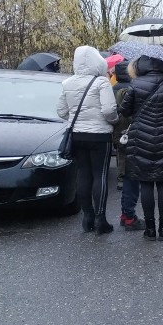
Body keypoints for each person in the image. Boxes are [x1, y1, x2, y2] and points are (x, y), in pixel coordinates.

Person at [57, 45, 119, 234]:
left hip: (77, 134)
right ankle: (101, 219)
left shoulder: (67, 83)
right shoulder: (101, 82)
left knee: (83, 174)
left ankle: (87, 218)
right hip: (100, 136)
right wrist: (114, 121)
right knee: (99, 175)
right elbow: (109, 110)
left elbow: (61, 111)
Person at [120, 55, 163, 240]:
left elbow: (125, 111)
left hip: (140, 138)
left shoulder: (135, 84)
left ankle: (149, 230)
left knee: (145, 183)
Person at [112, 60, 144, 230]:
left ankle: (127, 214)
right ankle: (129, 216)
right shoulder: (135, 89)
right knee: (134, 179)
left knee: (126, 175)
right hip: (136, 137)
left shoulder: (113, 88)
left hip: (120, 135)